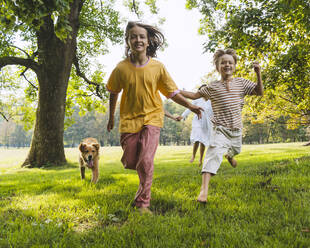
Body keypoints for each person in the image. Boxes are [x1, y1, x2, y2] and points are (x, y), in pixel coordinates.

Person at [106, 21, 203, 214]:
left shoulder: (158, 67)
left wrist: (190, 105)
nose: (138, 40)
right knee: (132, 161)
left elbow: (172, 93)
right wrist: (111, 117)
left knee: (146, 161)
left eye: (141, 36)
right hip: (129, 120)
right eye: (133, 36)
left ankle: (143, 203)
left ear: (148, 41)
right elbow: (113, 92)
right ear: (128, 41)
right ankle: (141, 185)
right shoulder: (121, 68)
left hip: (152, 118)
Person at [180, 48, 263, 203]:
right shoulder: (212, 87)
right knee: (212, 155)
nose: (227, 65)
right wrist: (176, 91)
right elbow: (194, 95)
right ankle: (203, 192)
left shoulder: (241, 83)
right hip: (220, 130)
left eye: (230, 62)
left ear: (234, 65)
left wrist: (258, 73)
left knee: (236, 150)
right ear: (217, 67)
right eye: (223, 63)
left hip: (236, 130)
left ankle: (230, 155)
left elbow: (259, 92)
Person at [180, 97, 213, 166]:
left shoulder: (210, 100)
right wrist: (182, 116)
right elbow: (189, 108)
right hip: (197, 121)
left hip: (206, 123)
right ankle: (193, 155)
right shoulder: (197, 99)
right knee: (197, 138)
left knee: (203, 141)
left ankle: (201, 159)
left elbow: (213, 112)